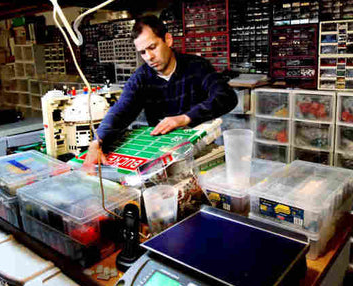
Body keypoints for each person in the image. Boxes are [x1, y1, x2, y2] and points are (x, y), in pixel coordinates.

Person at [82, 15, 238, 173]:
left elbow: (226, 96)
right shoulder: (140, 79)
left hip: (200, 147)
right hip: (162, 151)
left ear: (168, 40)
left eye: (152, 47)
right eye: (142, 52)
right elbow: (120, 111)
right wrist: (97, 142)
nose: (148, 57)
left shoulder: (197, 66)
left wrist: (186, 118)